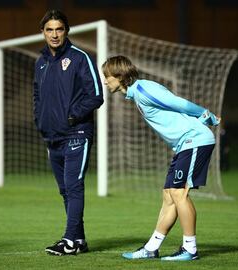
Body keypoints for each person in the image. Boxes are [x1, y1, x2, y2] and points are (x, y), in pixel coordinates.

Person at [102, 55, 220, 261]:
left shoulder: (144, 90)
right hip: (184, 144)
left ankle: (190, 249)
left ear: (119, 76)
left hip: (195, 140)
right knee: (169, 195)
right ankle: (151, 248)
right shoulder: (136, 94)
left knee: (178, 193)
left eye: (107, 76)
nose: (105, 80)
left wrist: (205, 114)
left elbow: (179, 103)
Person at [33, 10, 103, 256]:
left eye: (59, 29)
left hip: (77, 133)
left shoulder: (80, 58)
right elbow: (38, 95)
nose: (54, 34)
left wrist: (72, 116)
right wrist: (40, 120)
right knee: (64, 190)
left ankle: (69, 241)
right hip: (52, 137)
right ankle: (79, 239)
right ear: (43, 32)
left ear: (66, 31)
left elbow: (96, 96)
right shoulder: (40, 62)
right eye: (49, 29)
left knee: (73, 187)